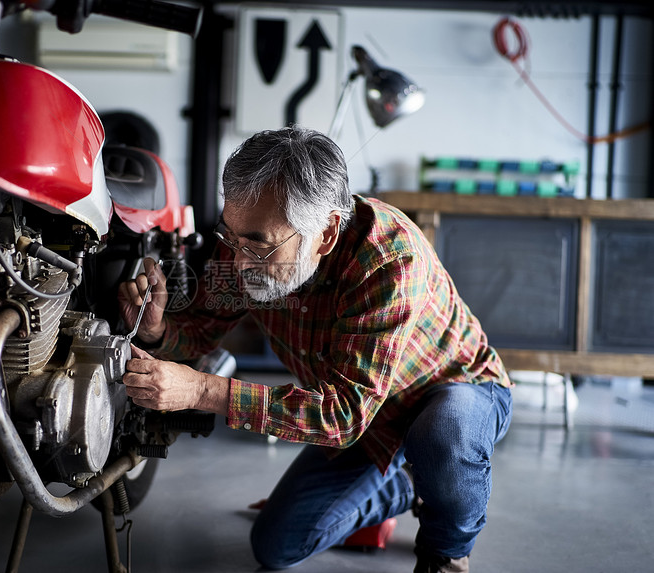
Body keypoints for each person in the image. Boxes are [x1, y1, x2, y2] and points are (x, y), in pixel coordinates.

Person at [118, 126, 512, 573]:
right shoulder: (244, 239)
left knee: (446, 433)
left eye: (258, 245)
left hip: (452, 394)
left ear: (324, 234)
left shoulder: (388, 260)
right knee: (276, 545)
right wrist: (156, 330)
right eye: (231, 236)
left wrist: (203, 392)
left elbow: (343, 415)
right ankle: (409, 481)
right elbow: (203, 328)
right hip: (367, 419)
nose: (238, 259)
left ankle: (446, 551)